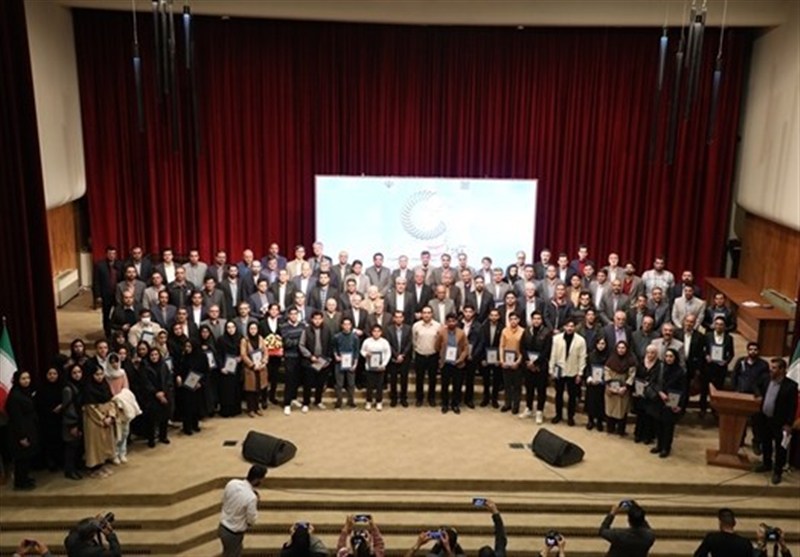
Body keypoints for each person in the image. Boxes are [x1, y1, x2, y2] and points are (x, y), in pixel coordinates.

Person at [753, 358, 798, 485]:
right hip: (765, 418)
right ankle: (766, 464)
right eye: (771, 367)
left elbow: (792, 407)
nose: (770, 370)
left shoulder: (791, 386)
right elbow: (755, 385)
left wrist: (788, 424)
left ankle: (778, 471)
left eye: (774, 368)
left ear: (782, 370)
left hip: (780, 422)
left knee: (780, 448)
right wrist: (758, 394)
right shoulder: (766, 379)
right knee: (766, 442)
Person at [218, 465, 268, 557]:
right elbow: (251, 520)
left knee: (228, 552)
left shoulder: (232, 483)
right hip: (233, 533)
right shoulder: (251, 498)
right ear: (257, 479)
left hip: (222, 527)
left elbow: (224, 500)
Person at [647, 348, 687, 458]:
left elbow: (683, 390)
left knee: (668, 426)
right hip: (659, 400)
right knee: (658, 424)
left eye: (671, 356)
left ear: (675, 358)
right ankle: (659, 445)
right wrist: (660, 392)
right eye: (667, 356)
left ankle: (666, 448)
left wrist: (679, 405)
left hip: (672, 401)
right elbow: (653, 382)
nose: (668, 358)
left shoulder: (680, 372)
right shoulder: (660, 368)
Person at [549, 320, 587, 426]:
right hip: (559, 370)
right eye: (567, 326)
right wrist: (551, 370)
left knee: (572, 396)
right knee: (559, 394)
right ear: (564, 327)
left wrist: (580, 373)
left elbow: (582, 357)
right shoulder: (556, 339)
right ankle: (558, 415)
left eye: (572, 326)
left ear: (575, 327)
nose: (569, 328)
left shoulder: (581, 340)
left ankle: (570, 417)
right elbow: (553, 355)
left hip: (573, 371)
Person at [6, 370, 39, 490]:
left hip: (29, 428)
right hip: (20, 431)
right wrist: (22, 436)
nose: (26, 381)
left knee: (27, 456)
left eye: (28, 378)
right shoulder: (14, 396)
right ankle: (20, 483)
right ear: (17, 380)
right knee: (21, 458)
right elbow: (16, 418)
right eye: (23, 379)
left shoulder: (25, 392)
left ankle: (25, 478)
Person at [82, 366, 118, 478]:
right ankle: (93, 468)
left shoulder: (105, 385)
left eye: (101, 374)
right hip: (94, 420)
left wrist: (111, 416)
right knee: (95, 445)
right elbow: (89, 407)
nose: (99, 377)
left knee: (104, 443)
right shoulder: (88, 388)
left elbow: (111, 401)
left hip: (107, 416)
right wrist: (102, 419)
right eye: (97, 374)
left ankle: (102, 464)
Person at [520, 311, 552, 424]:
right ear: (531, 320)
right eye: (534, 318)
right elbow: (522, 347)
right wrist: (528, 361)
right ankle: (528, 408)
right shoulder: (527, 331)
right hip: (528, 365)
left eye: (539, 318)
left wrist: (536, 362)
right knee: (529, 388)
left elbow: (547, 350)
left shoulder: (547, 333)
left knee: (541, 390)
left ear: (542, 320)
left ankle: (539, 411)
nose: (536, 321)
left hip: (541, 366)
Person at [436, 313, 469, 414]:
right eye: (449, 321)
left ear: (456, 322)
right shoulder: (442, 332)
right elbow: (437, 346)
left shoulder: (461, 333)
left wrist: (460, 359)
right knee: (445, 385)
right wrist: (442, 355)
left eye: (453, 321)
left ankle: (455, 404)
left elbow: (466, 348)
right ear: (446, 322)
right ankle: (445, 404)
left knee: (457, 385)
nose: (451, 323)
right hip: (445, 363)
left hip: (457, 363)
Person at [604, 341, 636, 436]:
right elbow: (606, 372)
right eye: (619, 348)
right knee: (610, 409)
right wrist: (609, 385)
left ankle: (621, 430)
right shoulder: (611, 360)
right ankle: (610, 428)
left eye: (623, 348)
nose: (621, 350)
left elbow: (632, 375)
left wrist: (625, 387)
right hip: (611, 387)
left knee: (622, 410)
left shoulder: (630, 361)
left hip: (623, 388)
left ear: (626, 349)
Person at [175, 339, 207, 434]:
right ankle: (187, 427)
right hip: (186, 384)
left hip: (197, 384)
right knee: (187, 406)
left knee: (196, 405)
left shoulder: (201, 356)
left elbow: (205, 371)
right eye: (186, 346)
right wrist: (178, 376)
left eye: (189, 346)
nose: (187, 348)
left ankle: (195, 424)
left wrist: (201, 383)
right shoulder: (183, 356)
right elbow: (179, 368)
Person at [36, 366, 63, 472]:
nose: (52, 376)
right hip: (46, 420)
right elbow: (38, 405)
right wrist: (50, 410)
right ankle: (51, 463)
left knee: (59, 441)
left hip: (60, 419)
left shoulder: (62, 387)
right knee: (49, 442)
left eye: (54, 374)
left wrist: (61, 406)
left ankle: (60, 461)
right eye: (50, 374)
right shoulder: (41, 388)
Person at [143, 347, 172, 447]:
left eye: (156, 355)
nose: (154, 357)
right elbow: (146, 382)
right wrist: (156, 393)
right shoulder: (145, 367)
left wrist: (164, 392)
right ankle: (151, 439)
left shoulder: (164, 365)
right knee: (152, 419)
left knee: (165, 417)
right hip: (152, 396)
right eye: (152, 355)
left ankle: (163, 436)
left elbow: (168, 379)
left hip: (164, 394)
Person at [360, 324, 392, 411]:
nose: (376, 333)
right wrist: (366, 354)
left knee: (379, 386)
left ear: (381, 332)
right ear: (372, 332)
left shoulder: (384, 342)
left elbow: (388, 354)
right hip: (369, 367)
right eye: (374, 331)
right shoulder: (367, 341)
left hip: (380, 367)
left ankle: (379, 402)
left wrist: (384, 364)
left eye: (378, 331)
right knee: (369, 386)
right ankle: (369, 401)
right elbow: (362, 351)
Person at [240, 322, 269, 417]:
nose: (253, 331)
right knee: (250, 390)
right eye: (251, 329)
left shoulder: (260, 338)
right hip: (250, 369)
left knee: (259, 388)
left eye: (255, 329)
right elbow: (243, 355)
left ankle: (257, 408)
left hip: (260, 367)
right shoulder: (244, 340)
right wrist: (252, 365)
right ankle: (251, 409)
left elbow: (265, 352)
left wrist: (264, 362)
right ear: (248, 330)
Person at [633, 346, 660, 445]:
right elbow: (636, 376)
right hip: (640, 392)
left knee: (649, 416)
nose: (650, 355)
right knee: (640, 414)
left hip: (651, 394)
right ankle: (638, 435)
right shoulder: (641, 362)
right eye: (648, 352)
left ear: (656, 354)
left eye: (653, 353)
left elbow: (659, 379)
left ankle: (647, 436)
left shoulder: (659, 365)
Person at [62, 364, 85, 480]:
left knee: (78, 446)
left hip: (80, 420)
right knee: (71, 447)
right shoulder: (68, 389)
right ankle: (70, 470)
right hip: (71, 423)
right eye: (74, 373)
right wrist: (73, 425)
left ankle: (77, 467)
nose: (77, 375)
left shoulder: (81, 385)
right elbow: (67, 408)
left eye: (79, 372)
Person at [498, 313, 524, 414]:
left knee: (517, 385)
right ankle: (507, 404)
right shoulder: (504, 331)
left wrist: (518, 361)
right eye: (511, 319)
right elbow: (501, 346)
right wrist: (501, 360)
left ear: (519, 320)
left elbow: (524, 349)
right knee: (507, 384)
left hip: (517, 360)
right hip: (506, 360)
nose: (513, 321)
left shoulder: (523, 331)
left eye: (515, 319)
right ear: (509, 320)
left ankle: (516, 405)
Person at [217, 320, 243, 417]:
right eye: (228, 327)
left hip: (237, 368)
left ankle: (235, 410)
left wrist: (241, 357)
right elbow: (218, 354)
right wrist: (221, 367)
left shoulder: (240, 338)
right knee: (226, 391)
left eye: (232, 327)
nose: (231, 329)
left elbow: (243, 351)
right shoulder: (221, 339)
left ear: (236, 328)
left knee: (236, 389)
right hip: (225, 368)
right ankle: (226, 411)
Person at [584, 336, 609, 432]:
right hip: (592, 382)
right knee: (591, 402)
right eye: (599, 343)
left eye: (603, 344)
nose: (601, 346)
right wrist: (590, 378)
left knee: (600, 403)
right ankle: (590, 421)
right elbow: (587, 368)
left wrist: (602, 379)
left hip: (602, 384)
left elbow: (609, 370)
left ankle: (599, 422)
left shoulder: (608, 356)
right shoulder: (591, 355)